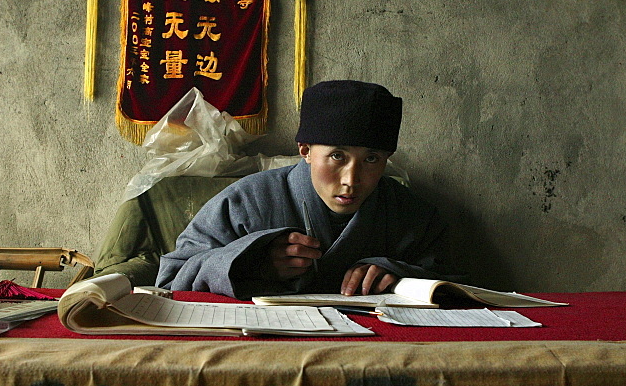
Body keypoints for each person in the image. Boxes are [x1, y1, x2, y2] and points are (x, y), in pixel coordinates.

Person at [156, 80, 464, 299]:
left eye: (371, 159)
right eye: (336, 156)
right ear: (305, 150)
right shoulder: (247, 200)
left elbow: (457, 283)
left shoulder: (410, 212)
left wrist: (396, 273)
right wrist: (250, 263)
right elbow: (170, 280)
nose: (351, 179)